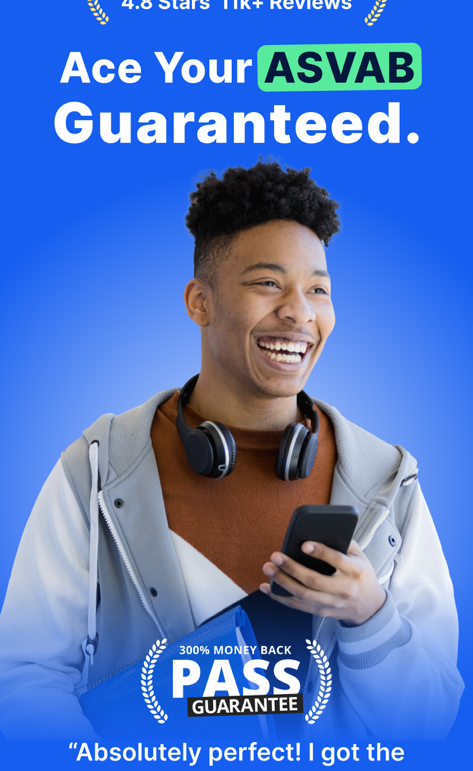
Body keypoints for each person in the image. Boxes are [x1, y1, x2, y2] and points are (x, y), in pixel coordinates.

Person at [0, 161, 463, 739]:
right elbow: (25, 678)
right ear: (200, 302)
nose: (300, 312)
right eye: (268, 283)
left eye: (318, 289)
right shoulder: (97, 470)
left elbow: (428, 727)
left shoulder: (386, 482)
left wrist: (370, 618)